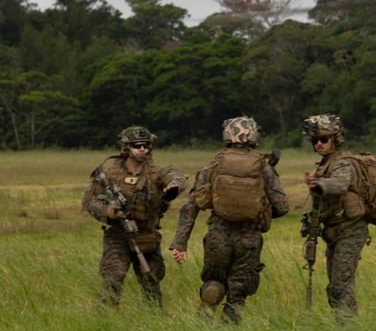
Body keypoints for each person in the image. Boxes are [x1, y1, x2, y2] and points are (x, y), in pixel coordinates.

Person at [169, 116, 288, 323]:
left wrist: (180, 243)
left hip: (218, 234)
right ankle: (229, 325)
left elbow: (191, 205)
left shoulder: (214, 166)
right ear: (254, 137)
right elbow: (282, 206)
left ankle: (205, 312)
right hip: (249, 238)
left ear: (227, 136)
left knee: (214, 282)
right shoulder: (264, 168)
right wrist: (261, 212)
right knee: (239, 291)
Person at [82, 126, 186, 307]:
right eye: (137, 145)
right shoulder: (111, 175)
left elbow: (176, 177)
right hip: (118, 234)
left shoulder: (157, 172)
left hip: (146, 234)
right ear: (126, 147)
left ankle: (154, 320)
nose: (143, 149)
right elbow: (88, 201)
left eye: (146, 145)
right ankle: (103, 320)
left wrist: (174, 187)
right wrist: (108, 211)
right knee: (113, 278)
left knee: (151, 280)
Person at [303, 114, 369, 318]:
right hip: (334, 232)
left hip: (350, 230)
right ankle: (342, 322)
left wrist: (319, 184)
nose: (319, 144)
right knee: (334, 287)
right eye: (315, 140)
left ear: (336, 139)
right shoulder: (325, 164)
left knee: (341, 285)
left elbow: (340, 184)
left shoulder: (343, 163)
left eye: (324, 139)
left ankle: (349, 324)